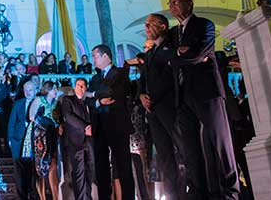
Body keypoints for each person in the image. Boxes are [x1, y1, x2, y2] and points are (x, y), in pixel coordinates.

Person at [168, 0, 240, 200]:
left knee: (220, 143)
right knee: (191, 149)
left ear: (189, 3)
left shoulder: (204, 25)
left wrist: (178, 57)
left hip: (207, 92)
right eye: (170, 2)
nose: (172, 5)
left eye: (176, 1)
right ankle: (199, 193)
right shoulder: (173, 34)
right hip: (182, 95)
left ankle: (231, 192)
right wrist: (181, 54)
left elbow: (200, 53)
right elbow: (173, 56)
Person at [139, 13, 182, 200]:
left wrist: (153, 97)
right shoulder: (149, 54)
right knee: (164, 156)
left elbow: (169, 77)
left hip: (168, 106)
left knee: (182, 149)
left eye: (150, 24)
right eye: (145, 25)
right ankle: (172, 194)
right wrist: (141, 95)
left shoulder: (171, 48)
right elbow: (143, 80)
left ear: (163, 26)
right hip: (153, 111)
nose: (146, 28)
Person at [88, 43, 135, 200]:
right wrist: (98, 101)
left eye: (95, 55)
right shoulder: (95, 78)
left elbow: (115, 93)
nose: (92, 59)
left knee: (123, 167)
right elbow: (87, 101)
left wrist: (94, 94)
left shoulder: (120, 73)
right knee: (101, 169)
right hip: (99, 126)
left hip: (117, 126)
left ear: (105, 56)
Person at [60, 78, 95, 200]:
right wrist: (86, 127)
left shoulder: (89, 103)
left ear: (86, 88)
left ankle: (88, 197)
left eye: (83, 85)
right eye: (78, 85)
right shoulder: (68, 100)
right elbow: (69, 116)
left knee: (90, 171)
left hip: (90, 142)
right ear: (75, 87)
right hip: (76, 142)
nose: (81, 87)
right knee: (78, 173)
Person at [29, 82, 60, 200]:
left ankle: (55, 196)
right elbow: (31, 116)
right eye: (54, 89)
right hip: (41, 137)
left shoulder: (57, 103)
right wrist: (41, 118)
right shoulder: (39, 100)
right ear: (48, 89)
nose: (56, 91)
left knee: (53, 164)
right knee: (40, 167)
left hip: (53, 136)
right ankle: (42, 197)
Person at [8, 80, 37, 200]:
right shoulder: (18, 104)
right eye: (25, 90)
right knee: (19, 173)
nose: (28, 92)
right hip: (18, 142)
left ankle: (34, 195)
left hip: (34, 142)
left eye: (30, 90)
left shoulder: (40, 103)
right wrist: (10, 139)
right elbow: (12, 122)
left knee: (33, 172)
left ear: (35, 90)